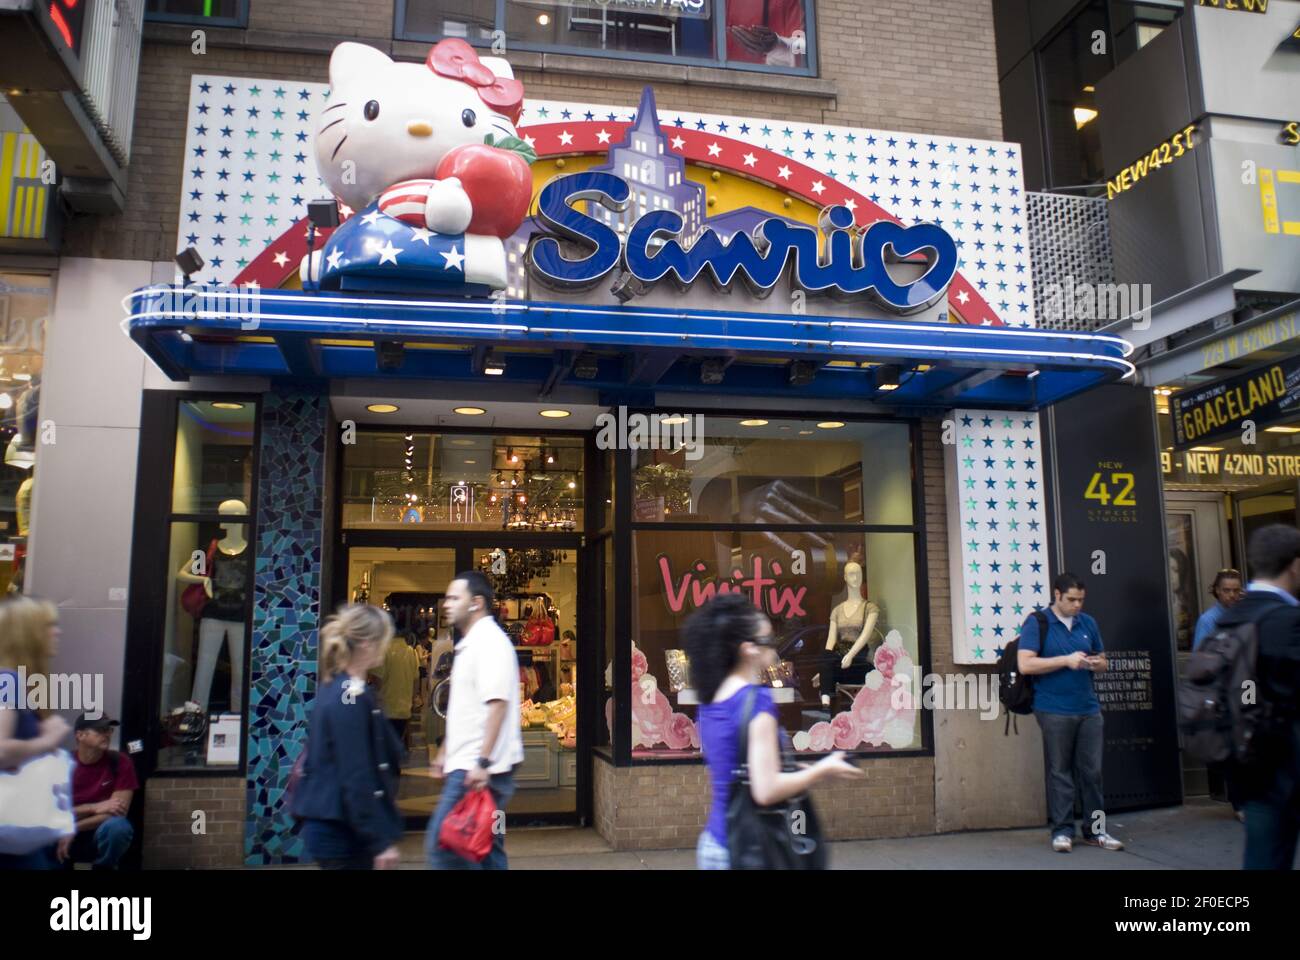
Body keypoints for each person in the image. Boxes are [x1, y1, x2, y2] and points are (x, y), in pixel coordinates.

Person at [684, 593, 864, 870]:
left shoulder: (712, 698)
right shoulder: (756, 701)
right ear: (747, 649)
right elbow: (765, 790)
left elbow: (736, 765)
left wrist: (787, 766)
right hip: (749, 848)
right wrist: (822, 769)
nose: (775, 646)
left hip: (715, 843)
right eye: (768, 640)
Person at [291, 605, 404, 870]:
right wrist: (378, 841)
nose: (384, 649)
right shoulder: (349, 695)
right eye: (382, 641)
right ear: (366, 643)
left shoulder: (339, 687)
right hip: (341, 833)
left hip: (337, 828)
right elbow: (356, 773)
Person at [1017, 572, 1123, 853]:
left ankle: (1096, 831)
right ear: (1057, 595)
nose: (1077, 605)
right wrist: (1066, 660)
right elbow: (1025, 665)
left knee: (1092, 772)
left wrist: (1096, 663)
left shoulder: (1088, 623)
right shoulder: (1037, 622)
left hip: (1088, 707)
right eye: (1072, 600)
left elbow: (1103, 660)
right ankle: (1062, 830)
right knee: (1060, 772)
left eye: (1081, 600)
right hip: (1053, 708)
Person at [1214, 525, 1300, 870]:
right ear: (1294, 565)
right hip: (1288, 763)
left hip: (1251, 765)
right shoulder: (1288, 619)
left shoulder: (1229, 618)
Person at [426, 571, 522, 870]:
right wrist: (444, 753)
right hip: (474, 765)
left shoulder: (489, 643)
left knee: (444, 847)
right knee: (487, 848)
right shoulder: (472, 644)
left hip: (477, 770)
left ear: (476, 603)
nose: (447, 604)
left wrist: (481, 763)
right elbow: (468, 709)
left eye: (455, 598)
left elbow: (497, 705)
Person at [0, 596, 71, 870]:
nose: (58, 631)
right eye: (49, 625)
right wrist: (47, 741)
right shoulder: (8, 680)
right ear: (27, 633)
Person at [57, 714, 138, 870]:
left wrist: (74, 827)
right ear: (80, 735)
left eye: (109, 730)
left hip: (97, 831)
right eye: (100, 730)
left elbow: (117, 812)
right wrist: (94, 807)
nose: (107, 734)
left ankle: (103, 866)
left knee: (118, 828)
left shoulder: (120, 762)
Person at [374, 631, 420, 744]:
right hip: (404, 709)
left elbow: (378, 680)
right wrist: (413, 700)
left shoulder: (384, 651)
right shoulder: (411, 652)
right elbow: (416, 680)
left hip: (387, 707)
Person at [1193, 569, 1245, 651]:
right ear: (1217, 590)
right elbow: (1200, 655)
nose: (1232, 595)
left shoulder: (1244, 615)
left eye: (1236, 590)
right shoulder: (1208, 620)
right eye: (1226, 590)